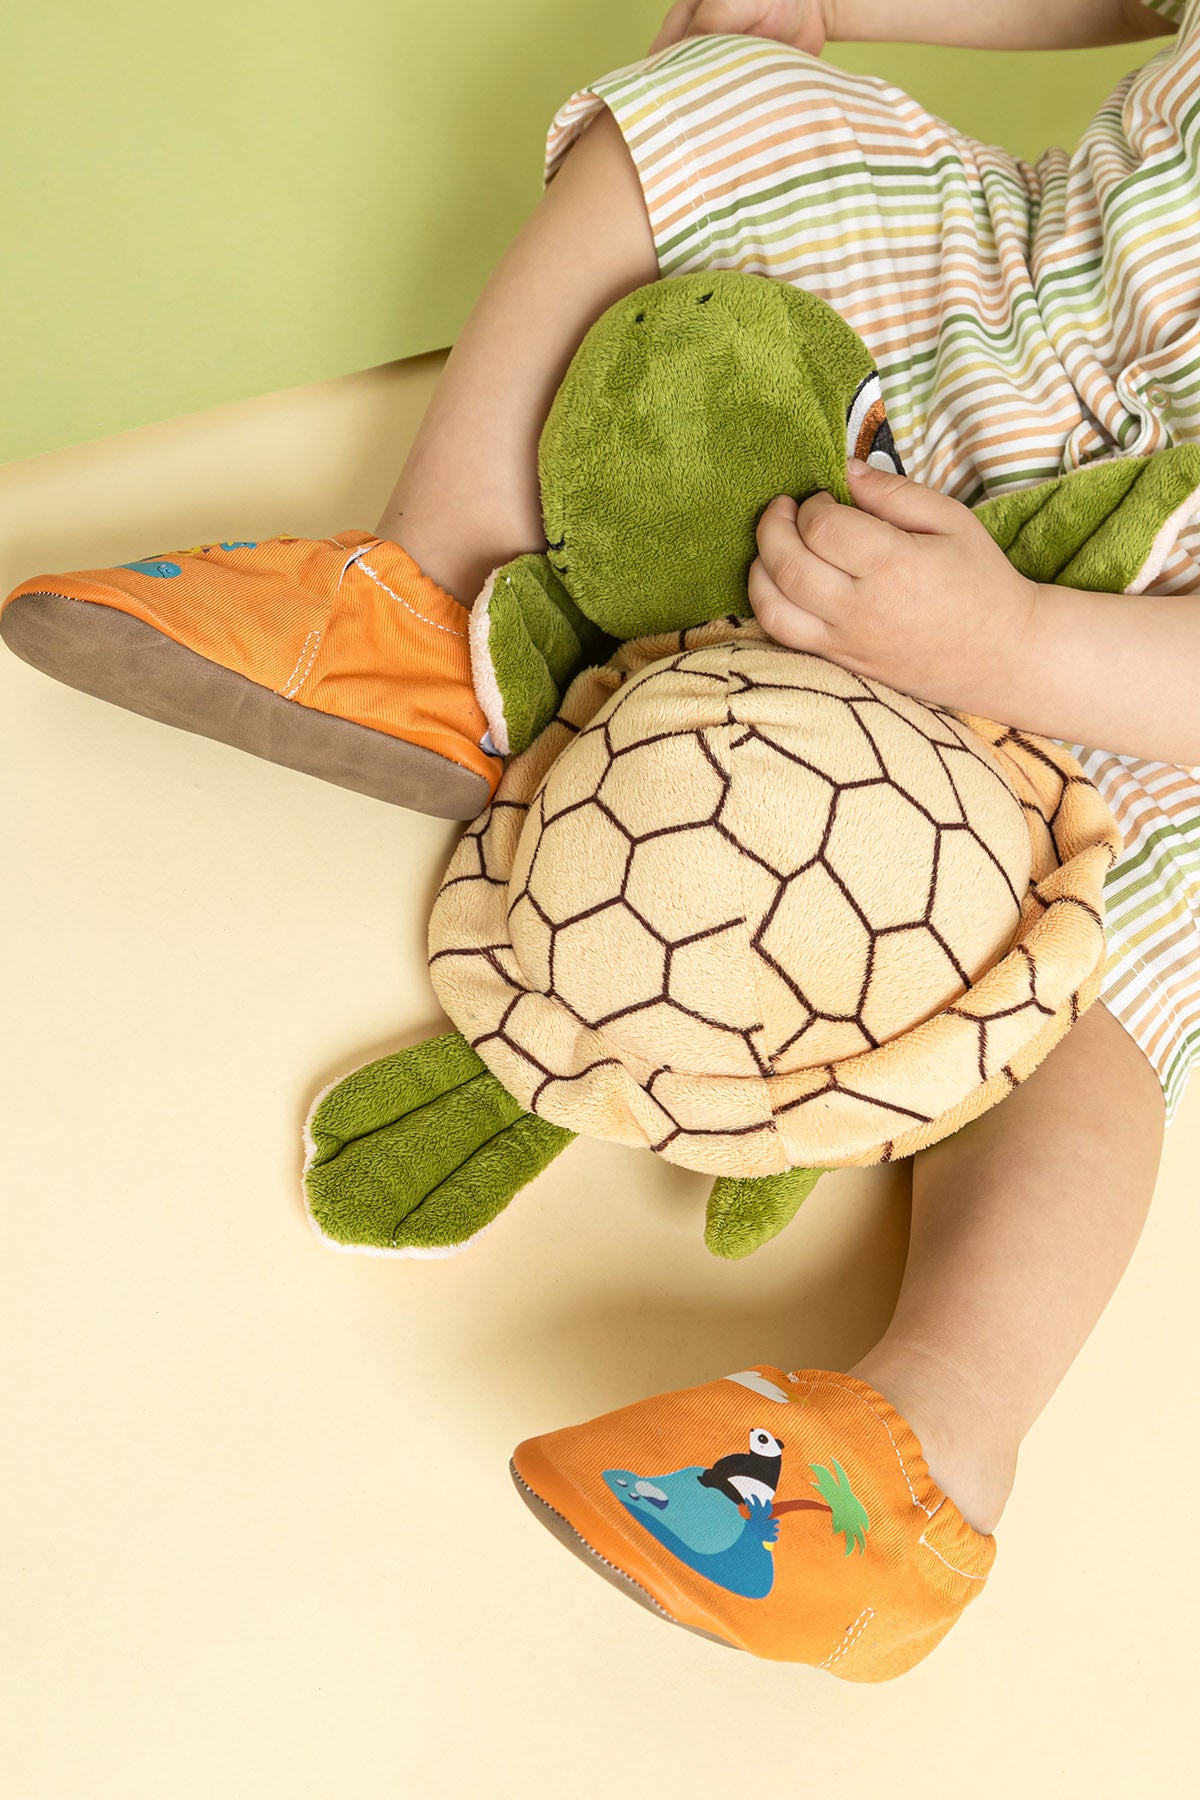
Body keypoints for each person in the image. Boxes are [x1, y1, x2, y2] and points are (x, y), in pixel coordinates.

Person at [3, 0, 1196, 1676]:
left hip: (1140, 664)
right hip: (996, 303)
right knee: (722, 100)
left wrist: (1013, 648)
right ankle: (426, 600)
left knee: (1095, 991)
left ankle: (927, 1441)